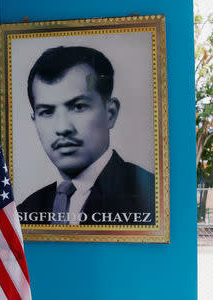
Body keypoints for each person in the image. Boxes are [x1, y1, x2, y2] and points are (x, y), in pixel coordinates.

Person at [17, 46, 155, 226]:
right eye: (47, 112)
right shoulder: (27, 209)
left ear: (110, 113)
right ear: (34, 120)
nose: (62, 128)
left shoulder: (148, 195)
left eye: (78, 107)